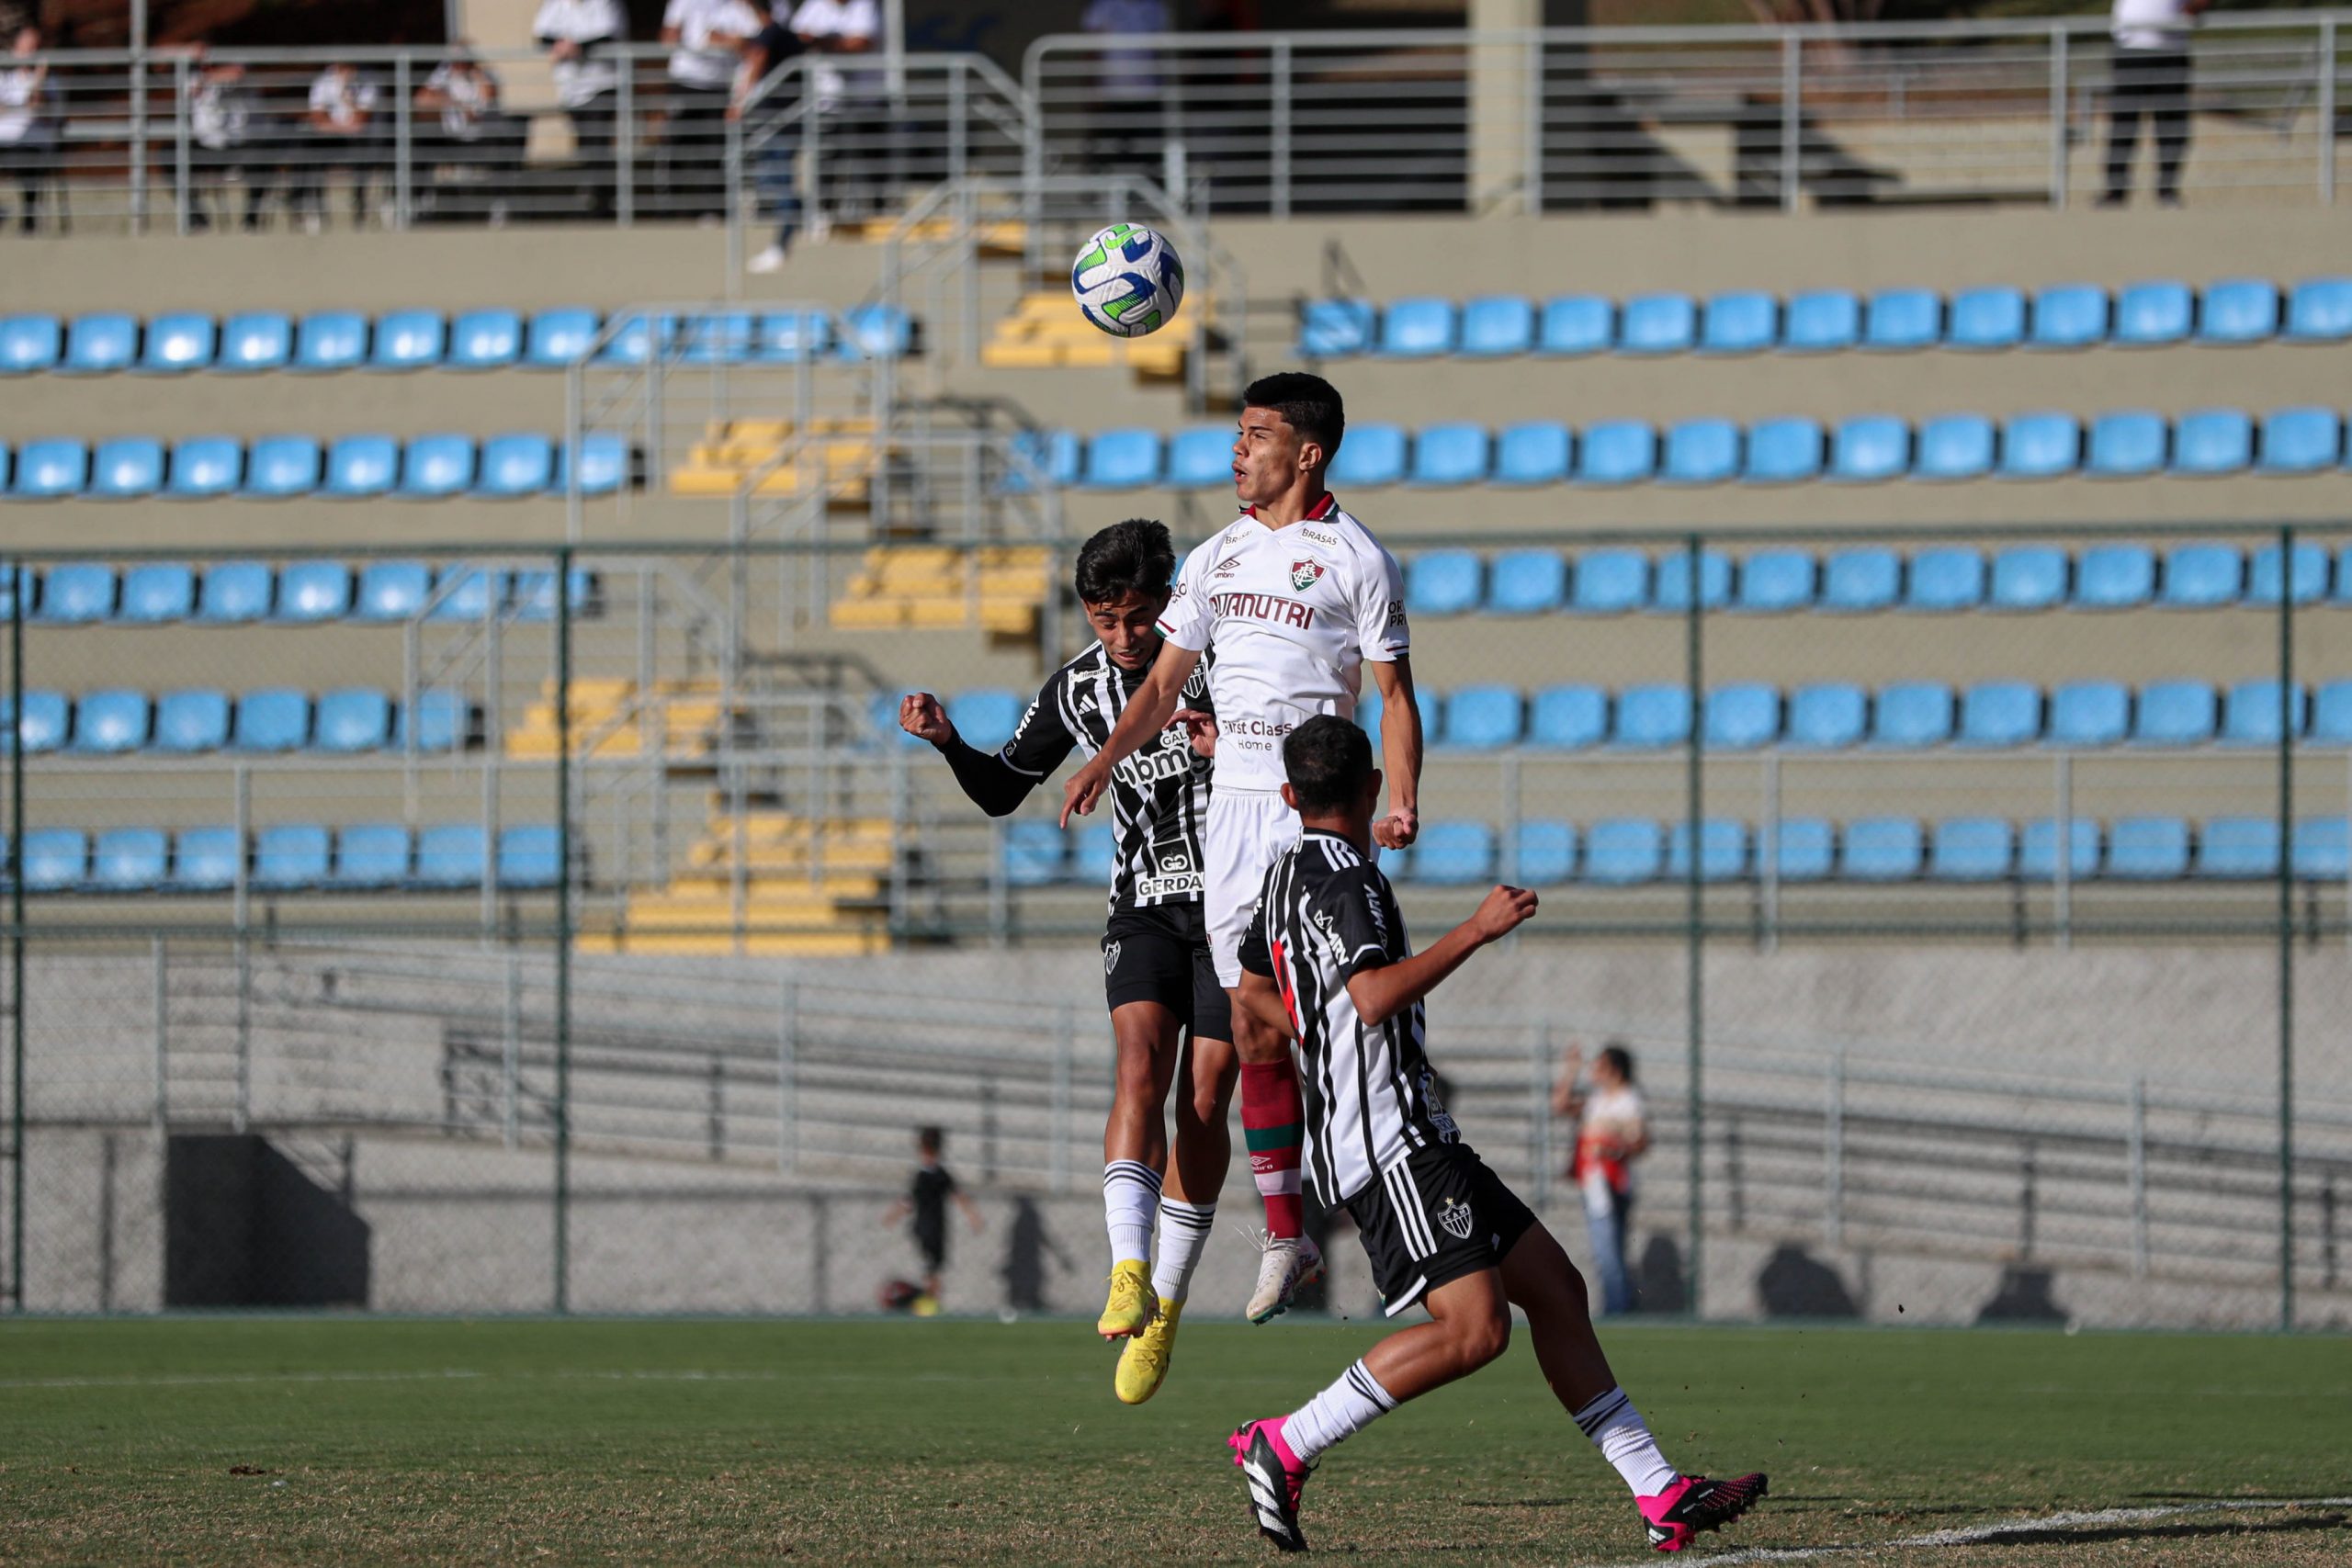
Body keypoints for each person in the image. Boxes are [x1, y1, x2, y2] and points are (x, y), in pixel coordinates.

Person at [1226, 717, 1767, 1556]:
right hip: (1391, 1142)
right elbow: (1371, 997)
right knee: (1477, 1329)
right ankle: (1287, 1442)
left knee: (1555, 1285)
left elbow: (1251, 991)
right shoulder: (1349, 880)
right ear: (1372, 790)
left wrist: (1316, 1035)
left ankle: (1659, 1491)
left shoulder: (1283, 876)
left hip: (1410, 1131)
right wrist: (1475, 930)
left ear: (1290, 798)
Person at [1061, 372, 1423, 1327]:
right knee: (1254, 1024)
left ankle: (1387, 1207)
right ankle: (1283, 1233)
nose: (1237, 451)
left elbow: (1393, 697)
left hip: (1312, 817)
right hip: (1232, 816)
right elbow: (1157, 688)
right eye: (1236, 433)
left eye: (1256, 435)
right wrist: (1103, 758)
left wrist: (1401, 804)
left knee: (1337, 1030)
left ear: (1306, 453)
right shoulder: (1215, 557)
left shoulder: (1356, 560)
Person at [900, 519, 1234, 1404]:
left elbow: (1289, 753)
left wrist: (1226, 742)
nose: (1122, 636)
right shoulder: (1076, 688)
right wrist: (947, 741)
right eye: (1104, 618)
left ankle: (1167, 1297)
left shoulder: (1219, 657)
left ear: (1168, 600)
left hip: (1234, 906)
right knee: (1138, 1067)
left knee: (1203, 1100)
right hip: (1145, 904)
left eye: (1137, 615)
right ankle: (1128, 1269)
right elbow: (1005, 789)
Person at [1553, 1041, 1649, 1315]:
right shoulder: (1597, 1100)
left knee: (1608, 1248)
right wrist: (1570, 1069)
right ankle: (1621, 1304)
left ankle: (1618, 1308)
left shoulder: (1628, 1100)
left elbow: (1641, 1141)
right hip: (1595, 1183)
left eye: (1601, 1065)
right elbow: (1561, 1105)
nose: (1594, 1070)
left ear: (1615, 1070)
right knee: (1610, 1247)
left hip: (1613, 1181)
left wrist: (1616, 1148)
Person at [660, 0, 761, 218]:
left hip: (721, 85)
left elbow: (753, 40)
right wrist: (722, 41)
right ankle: (673, 207)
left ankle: (712, 209)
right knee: (678, 144)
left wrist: (724, 40)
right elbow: (669, 37)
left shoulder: (739, 6)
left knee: (716, 149)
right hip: (686, 81)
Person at [2102, 0, 2206, 208]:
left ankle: (2167, 190)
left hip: (2171, 50)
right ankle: (2116, 192)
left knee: (2171, 125)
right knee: (2123, 123)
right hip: (2130, 48)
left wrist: (2193, 8)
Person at [533, 0, 628, 220]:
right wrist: (561, 45)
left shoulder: (605, 4)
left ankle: (603, 202)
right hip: (571, 90)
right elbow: (542, 35)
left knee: (597, 142)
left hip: (601, 84)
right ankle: (593, 195)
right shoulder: (556, 4)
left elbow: (609, 34)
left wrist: (579, 48)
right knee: (585, 142)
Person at [789, 0, 877, 229]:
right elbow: (796, 38)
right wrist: (836, 42)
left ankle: (877, 212)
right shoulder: (814, 5)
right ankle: (823, 214)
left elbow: (861, 42)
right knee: (826, 162)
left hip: (864, 102)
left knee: (869, 160)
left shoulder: (864, 5)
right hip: (826, 103)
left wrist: (822, 41)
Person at [416, 44, 528, 225]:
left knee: (502, 149)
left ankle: (499, 205)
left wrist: (476, 74)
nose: (457, 66)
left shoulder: (485, 75)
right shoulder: (444, 75)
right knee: (421, 144)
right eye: (453, 61)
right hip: (452, 139)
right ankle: (421, 203)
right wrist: (454, 102)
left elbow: (487, 100)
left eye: (462, 61)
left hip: (482, 140)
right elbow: (422, 99)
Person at [880, 1124, 982, 1307]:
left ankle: (929, 1302)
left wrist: (893, 1216)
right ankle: (930, 1303)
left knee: (932, 1269)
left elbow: (909, 1202)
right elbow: (958, 1197)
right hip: (930, 1228)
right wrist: (973, 1217)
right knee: (932, 1269)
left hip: (928, 1228)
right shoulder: (936, 1175)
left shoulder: (928, 1175)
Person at [735, 0, 802, 273]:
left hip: (778, 121)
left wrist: (740, 102)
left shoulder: (771, 33)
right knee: (771, 179)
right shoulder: (783, 35)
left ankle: (786, 234)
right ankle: (788, 228)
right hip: (782, 119)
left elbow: (758, 56)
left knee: (776, 178)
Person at [187, 47, 273, 231]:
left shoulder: (233, 71)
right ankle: (196, 217)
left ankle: (251, 220)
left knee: (261, 158)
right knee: (170, 155)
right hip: (208, 146)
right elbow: (157, 55)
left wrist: (205, 80)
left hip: (240, 145)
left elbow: (236, 73)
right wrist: (191, 50)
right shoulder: (193, 77)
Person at [292, 60, 382, 231]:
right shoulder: (322, 82)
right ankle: (310, 205)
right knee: (307, 146)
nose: (346, 71)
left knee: (365, 150)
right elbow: (318, 120)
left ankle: (359, 203)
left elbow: (360, 122)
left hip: (357, 140)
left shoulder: (368, 82)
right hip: (331, 136)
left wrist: (347, 99)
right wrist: (340, 127)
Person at [0, 25, 56, 235]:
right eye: (26, 45)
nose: (30, 51)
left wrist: (39, 78)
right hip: (3, 137)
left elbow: (38, 106)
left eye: (34, 46)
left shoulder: (47, 79)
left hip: (29, 140)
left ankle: (29, 221)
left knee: (27, 160)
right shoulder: (4, 76)